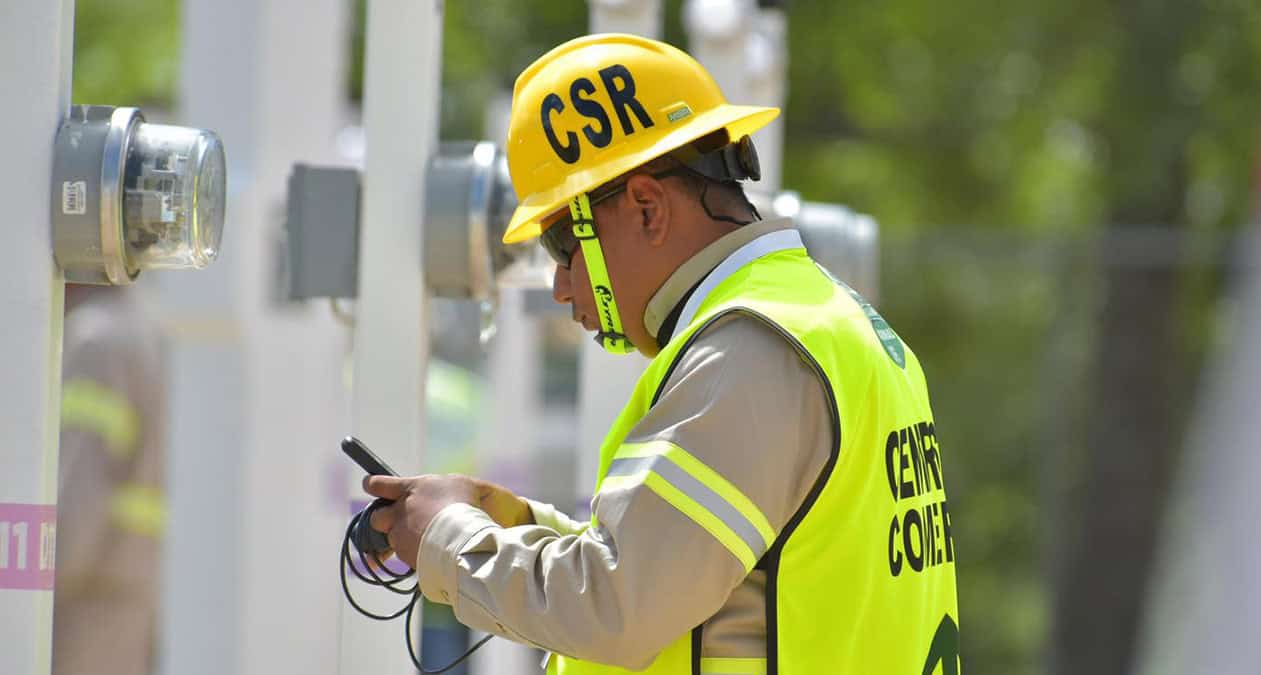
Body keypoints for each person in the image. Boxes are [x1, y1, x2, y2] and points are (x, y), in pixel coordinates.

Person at [365, 34, 958, 674]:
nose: (561, 283)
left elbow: (619, 611)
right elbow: (707, 587)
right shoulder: (826, 325)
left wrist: (452, 541)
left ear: (647, 206)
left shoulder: (747, 352)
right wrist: (522, 528)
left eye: (564, 242)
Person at [53, 285, 168, 675]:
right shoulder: (147, 326)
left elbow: (77, 499)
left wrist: (26, 597)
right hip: (132, 596)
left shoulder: (96, 341)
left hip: (86, 602)